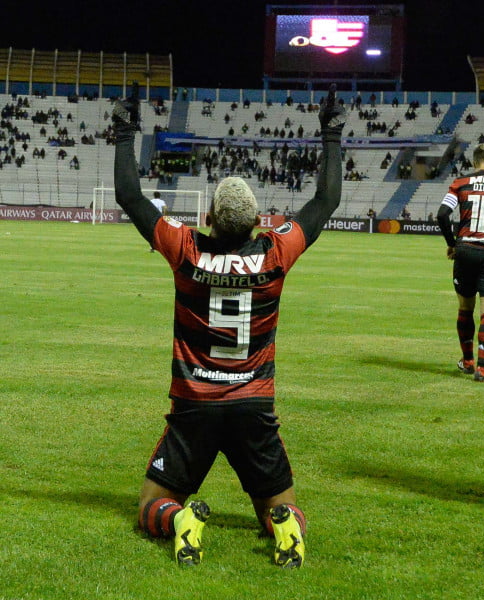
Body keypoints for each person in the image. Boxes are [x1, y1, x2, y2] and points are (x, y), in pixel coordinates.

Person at [112, 82, 346, 568]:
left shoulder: (186, 250)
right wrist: (330, 134)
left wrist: (125, 130)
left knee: (150, 505)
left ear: (209, 216)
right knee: (278, 508)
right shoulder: (275, 253)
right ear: (259, 221)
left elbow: (129, 195)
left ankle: (180, 520)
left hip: (194, 405)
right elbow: (325, 201)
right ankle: (287, 529)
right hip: (253, 406)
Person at [436, 143, 484, 382]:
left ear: (474, 162)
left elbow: (442, 214)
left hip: (466, 250)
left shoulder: (461, 182)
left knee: (465, 309)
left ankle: (467, 361)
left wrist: (452, 244)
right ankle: (482, 368)